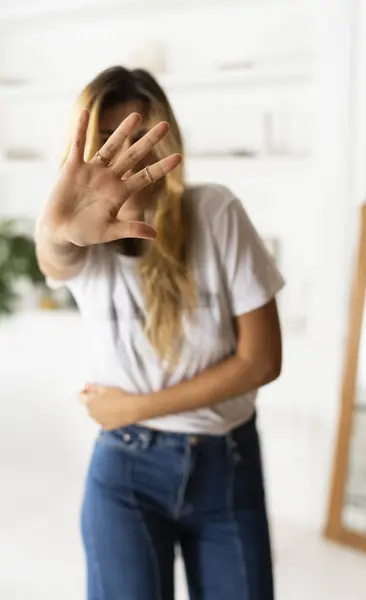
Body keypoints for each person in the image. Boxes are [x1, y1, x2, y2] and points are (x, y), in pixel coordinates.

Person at [35, 66, 285, 600]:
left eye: (142, 136)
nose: (128, 156)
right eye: (110, 141)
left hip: (227, 465)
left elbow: (261, 361)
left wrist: (133, 408)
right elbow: (55, 258)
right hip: (125, 473)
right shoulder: (86, 238)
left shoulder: (215, 211)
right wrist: (55, 229)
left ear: (167, 138)